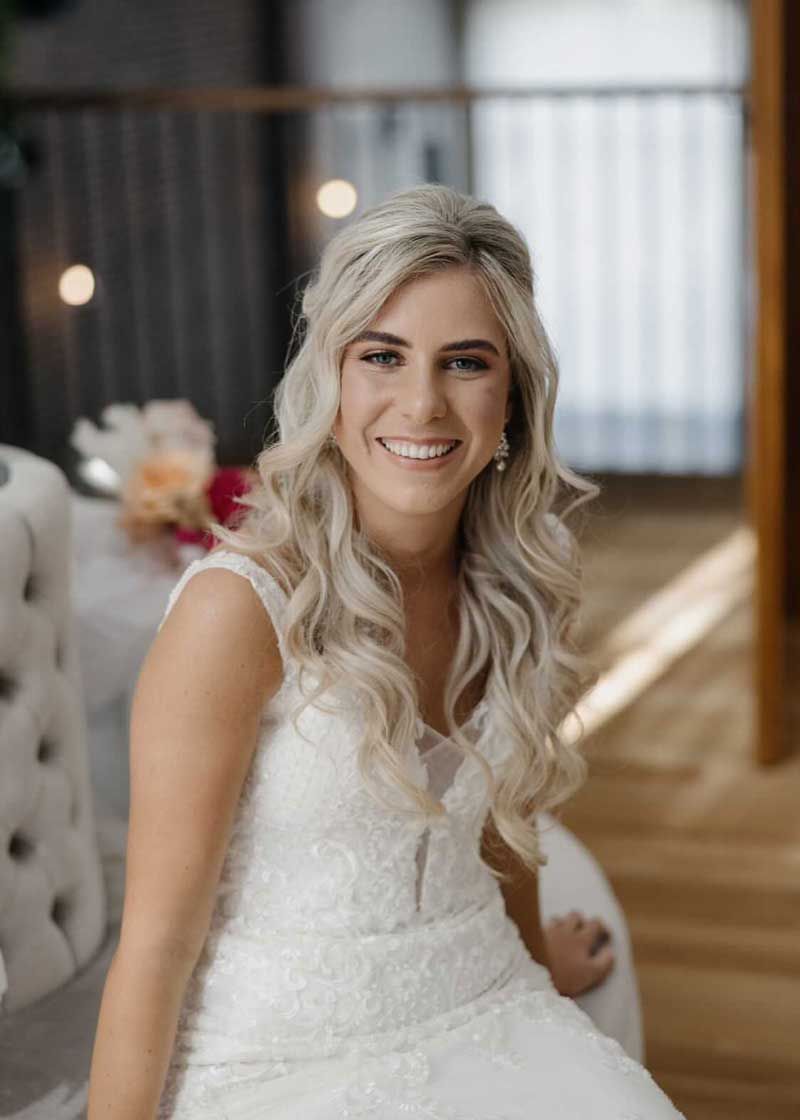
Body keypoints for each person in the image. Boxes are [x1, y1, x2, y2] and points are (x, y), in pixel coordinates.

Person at [87, 184, 685, 1118]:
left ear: (514, 395)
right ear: (330, 379)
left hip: (487, 995)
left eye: (464, 362)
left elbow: (496, 827)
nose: (421, 404)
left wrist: (536, 965)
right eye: (382, 356)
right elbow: (157, 942)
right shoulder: (237, 611)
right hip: (280, 1059)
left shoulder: (523, 579)